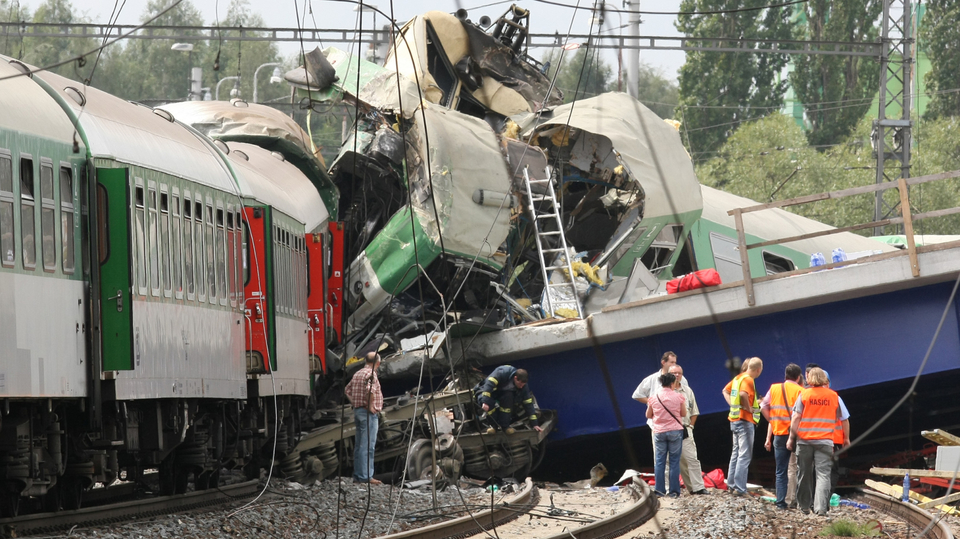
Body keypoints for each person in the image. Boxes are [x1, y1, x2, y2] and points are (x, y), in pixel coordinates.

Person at [787, 367, 840, 516]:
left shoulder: (804, 394)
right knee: (823, 474)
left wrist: (791, 438)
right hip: (825, 441)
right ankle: (821, 508)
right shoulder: (833, 396)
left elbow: (796, 417)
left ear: (810, 378)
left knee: (804, 473)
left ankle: (804, 506)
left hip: (805, 441)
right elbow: (836, 418)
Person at [761, 363, 803, 509]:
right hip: (796, 435)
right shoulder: (800, 390)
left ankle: (780, 503)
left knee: (780, 471)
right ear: (798, 377)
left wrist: (772, 420)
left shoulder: (774, 388)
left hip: (779, 434)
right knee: (799, 468)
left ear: (785, 375)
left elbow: (763, 406)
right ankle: (800, 501)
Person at [722, 356, 763, 495]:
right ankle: (740, 488)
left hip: (734, 420)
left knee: (735, 454)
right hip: (745, 421)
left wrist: (734, 406)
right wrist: (748, 409)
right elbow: (743, 394)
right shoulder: (748, 379)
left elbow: (725, 391)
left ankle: (731, 484)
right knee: (744, 456)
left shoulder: (738, 378)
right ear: (758, 369)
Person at [668, 364, 708, 495]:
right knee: (675, 462)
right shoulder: (664, 392)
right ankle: (675, 489)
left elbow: (694, 411)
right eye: (674, 373)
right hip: (669, 430)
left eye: (679, 373)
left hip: (685, 429)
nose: (677, 375)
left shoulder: (688, 391)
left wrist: (691, 426)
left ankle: (698, 487)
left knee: (692, 459)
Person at [345, 352, 384, 484]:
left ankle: (358, 475)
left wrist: (355, 403)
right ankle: (365, 477)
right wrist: (370, 405)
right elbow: (370, 390)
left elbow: (347, 390)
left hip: (358, 411)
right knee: (368, 446)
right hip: (368, 414)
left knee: (359, 445)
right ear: (377, 363)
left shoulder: (358, 373)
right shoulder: (371, 374)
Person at [646, 372, 686, 497]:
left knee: (659, 462)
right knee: (674, 462)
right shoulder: (678, 397)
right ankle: (673, 492)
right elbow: (684, 413)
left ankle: (659, 491)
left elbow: (648, 415)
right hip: (675, 432)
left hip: (659, 432)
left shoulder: (654, 397)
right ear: (672, 383)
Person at [475, 365, 542, 435]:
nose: (521, 386)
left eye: (523, 385)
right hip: (485, 390)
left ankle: (505, 426)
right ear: (515, 378)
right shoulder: (502, 372)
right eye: (520, 384)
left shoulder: (523, 387)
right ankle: (493, 426)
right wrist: (485, 401)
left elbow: (528, 404)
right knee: (488, 403)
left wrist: (535, 424)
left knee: (508, 400)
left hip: (501, 393)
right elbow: (488, 385)